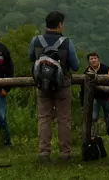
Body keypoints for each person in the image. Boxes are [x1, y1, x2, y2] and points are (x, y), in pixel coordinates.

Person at [28, 11, 79, 163]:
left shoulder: (36, 40)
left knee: (44, 118)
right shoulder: (66, 42)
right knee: (64, 119)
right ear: (60, 24)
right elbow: (75, 66)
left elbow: (31, 57)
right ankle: (65, 153)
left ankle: (44, 153)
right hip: (62, 85)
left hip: (42, 85)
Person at [82, 52, 109, 136]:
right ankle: (92, 135)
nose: (93, 60)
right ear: (89, 61)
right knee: (93, 117)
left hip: (107, 98)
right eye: (91, 59)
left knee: (108, 116)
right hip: (95, 98)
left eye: (95, 58)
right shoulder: (87, 71)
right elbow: (83, 88)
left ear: (98, 59)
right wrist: (83, 102)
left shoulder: (107, 69)